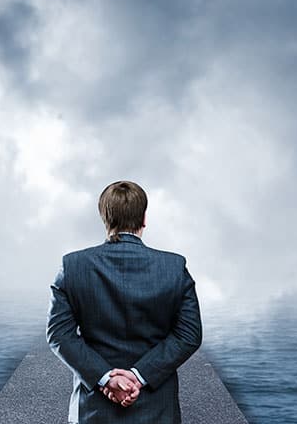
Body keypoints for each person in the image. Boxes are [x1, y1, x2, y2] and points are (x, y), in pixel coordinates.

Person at [46, 180, 202, 423]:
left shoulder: (72, 266)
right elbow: (188, 335)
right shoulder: (174, 268)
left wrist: (106, 377)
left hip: (93, 409)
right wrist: (139, 376)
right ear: (144, 218)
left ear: (104, 218)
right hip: (157, 408)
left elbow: (59, 335)